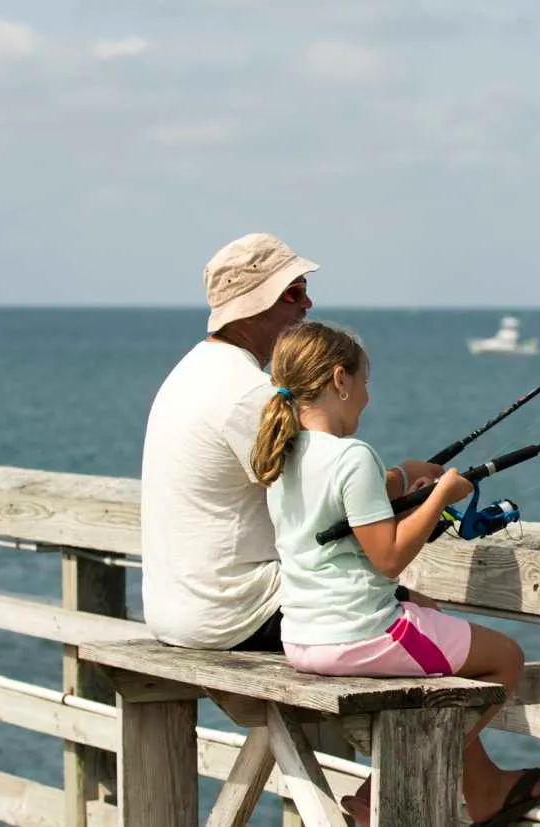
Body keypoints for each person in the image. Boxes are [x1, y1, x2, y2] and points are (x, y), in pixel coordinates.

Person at [250, 319, 540, 827]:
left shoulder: (283, 452)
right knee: (506, 659)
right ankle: (381, 787)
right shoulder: (353, 456)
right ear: (339, 380)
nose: (367, 397)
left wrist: (403, 479)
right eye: (364, 382)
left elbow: (343, 514)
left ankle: (481, 788)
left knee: (429, 614)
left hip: (301, 635)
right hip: (359, 633)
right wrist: (441, 495)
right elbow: (388, 558)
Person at [140, 233, 443, 652]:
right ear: (253, 304)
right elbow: (330, 490)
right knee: (428, 618)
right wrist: (406, 479)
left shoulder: (190, 371)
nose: (308, 304)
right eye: (294, 293)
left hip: (175, 611)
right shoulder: (248, 393)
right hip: (234, 613)